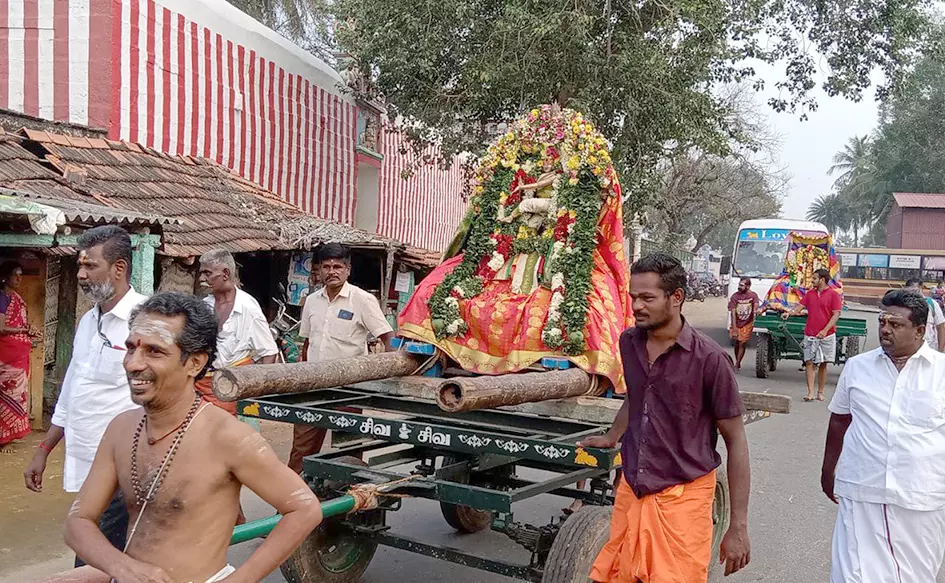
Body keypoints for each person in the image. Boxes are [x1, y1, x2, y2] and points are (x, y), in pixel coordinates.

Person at [41, 292, 322, 583]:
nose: (133, 364)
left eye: (154, 351)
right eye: (131, 348)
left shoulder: (227, 437)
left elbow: (304, 507)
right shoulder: (121, 428)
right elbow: (78, 522)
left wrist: (240, 579)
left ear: (194, 363)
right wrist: (120, 567)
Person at [578, 253, 751, 582]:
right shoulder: (629, 342)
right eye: (633, 297)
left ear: (676, 297)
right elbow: (638, 394)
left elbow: (736, 440)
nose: (637, 306)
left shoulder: (710, 359)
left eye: (647, 298)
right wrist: (613, 436)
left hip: (683, 500)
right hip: (633, 490)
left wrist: (738, 526)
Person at [23, 226, 146, 566]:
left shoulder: (145, 321)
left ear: (119, 268)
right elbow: (73, 390)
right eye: (80, 266)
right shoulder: (89, 322)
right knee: (104, 557)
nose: (81, 275)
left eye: (90, 266)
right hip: (88, 464)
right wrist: (44, 449)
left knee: (94, 560)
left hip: (126, 468)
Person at [822, 290, 945, 582]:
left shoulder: (941, 373)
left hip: (921, 495)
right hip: (862, 489)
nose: (885, 329)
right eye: (882, 322)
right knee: (852, 574)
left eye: (896, 324)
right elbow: (839, 420)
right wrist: (828, 470)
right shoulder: (857, 367)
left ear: (919, 331)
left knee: (916, 576)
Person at [288, 243, 395, 474]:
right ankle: (293, 493)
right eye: (326, 267)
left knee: (348, 450)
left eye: (337, 266)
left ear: (348, 269)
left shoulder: (362, 300)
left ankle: (346, 495)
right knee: (302, 449)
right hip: (314, 387)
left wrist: (387, 374)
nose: (331, 271)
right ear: (318, 270)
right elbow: (307, 342)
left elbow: (387, 337)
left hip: (349, 390)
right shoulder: (312, 301)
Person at [195, 249, 279, 415]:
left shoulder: (247, 307)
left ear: (225, 274)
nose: (201, 279)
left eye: (207, 273)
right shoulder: (203, 306)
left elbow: (269, 352)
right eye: (201, 273)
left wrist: (255, 391)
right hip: (201, 386)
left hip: (232, 387)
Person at [781, 268, 842, 402]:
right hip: (810, 333)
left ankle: (820, 392)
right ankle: (810, 393)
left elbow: (836, 315)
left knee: (823, 363)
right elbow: (799, 308)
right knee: (809, 362)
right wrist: (789, 313)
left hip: (827, 335)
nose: (812, 281)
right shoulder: (810, 294)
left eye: (814, 278)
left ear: (822, 280)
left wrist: (825, 330)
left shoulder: (833, 295)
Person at [0, 261, 42, 453]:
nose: (19, 278)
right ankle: (3, 439)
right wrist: (24, 330)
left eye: (21, 275)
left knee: (16, 395)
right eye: (15, 275)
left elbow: (18, 325)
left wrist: (29, 330)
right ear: (5, 277)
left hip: (17, 356)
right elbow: (2, 328)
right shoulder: (2, 298)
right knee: (6, 395)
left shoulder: (17, 299)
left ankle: (8, 436)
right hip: (6, 356)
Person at [728, 277, 760, 371]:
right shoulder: (734, 297)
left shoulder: (753, 295)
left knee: (742, 343)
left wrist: (757, 310)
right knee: (737, 343)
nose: (739, 287)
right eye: (739, 284)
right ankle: (737, 361)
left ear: (748, 286)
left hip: (747, 323)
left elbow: (756, 306)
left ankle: (737, 363)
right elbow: (733, 313)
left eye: (742, 285)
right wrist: (734, 329)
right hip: (736, 323)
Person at [904, 277, 945, 352]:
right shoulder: (903, 305)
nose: (912, 294)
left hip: (929, 348)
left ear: (921, 288)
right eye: (909, 292)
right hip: (909, 349)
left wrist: (940, 351)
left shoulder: (931, 304)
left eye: (915, 291)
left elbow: (941, 327)